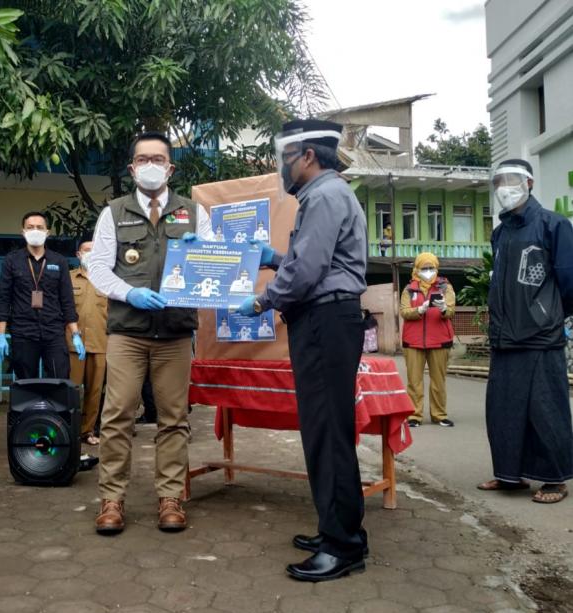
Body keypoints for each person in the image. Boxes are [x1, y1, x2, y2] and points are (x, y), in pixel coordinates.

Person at [238, 119, 368, 581]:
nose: (283, 169)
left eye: (286, 158)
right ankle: (339, 527)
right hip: (325, 319)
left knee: (328, 430)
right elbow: (310, 258)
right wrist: (274, 258)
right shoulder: (327, 195)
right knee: (325, 428)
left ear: (308, 155)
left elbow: (309, 270)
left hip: (324, 319)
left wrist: (261, 300)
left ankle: (342, 545)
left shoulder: (324, 196)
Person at [88, 130, 214, 534]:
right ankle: (111, 500)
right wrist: (131, 293)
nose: (150, 166)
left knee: (174, 419)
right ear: (132, 168)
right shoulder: (114, 212)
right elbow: (99, 269)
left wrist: (201, 253)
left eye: (157, 159)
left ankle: (171, 498)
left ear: (170, 167)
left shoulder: (194, 214)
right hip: (127, 332)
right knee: (117, 416)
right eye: (143, 159)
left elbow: (213, 266)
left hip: (175, 335)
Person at [478, 159, 573, 504]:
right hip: (505, 337)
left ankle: (554, 480)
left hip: (540, 338)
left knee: (545, 409)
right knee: (503, 409)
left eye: (512, 180)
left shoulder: (554, 225)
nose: (505, 186)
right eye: (499, 181)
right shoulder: (501, 233)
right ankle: (509, 474)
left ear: (529, 183)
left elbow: (569, 282)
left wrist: (546, 314)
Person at [0, 212, 84, 379]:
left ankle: (57, 406)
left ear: (47, 232)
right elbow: (4, 299)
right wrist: (0, 335)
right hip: (23, 332)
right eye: (30, 227)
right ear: (23, 232)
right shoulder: (12, 261)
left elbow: (67, 300)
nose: (35, 230)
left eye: (40, 227)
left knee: (60, 378)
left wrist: (75, 334)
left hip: (54, 331)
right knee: (26, 382)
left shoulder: (59, 261)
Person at [399, 252, 456, 428]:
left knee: (438, 381)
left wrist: (444, 308)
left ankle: (439, 415)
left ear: (437, 268)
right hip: (413, 342)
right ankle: (414, 416)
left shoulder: (445, 287)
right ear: (417, 269)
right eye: (424, 268)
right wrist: (419, 310)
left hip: (439, 341)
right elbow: (404, 311)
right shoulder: (409, 289)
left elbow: (452, 310)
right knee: (414, 382)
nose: (428, 271)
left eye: (432, 268)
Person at [68, 236, 108, 445]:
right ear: (78, 254)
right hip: (74, 344)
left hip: (101, 343)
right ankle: (70, 431)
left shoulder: (107, 280)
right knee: (72, 390)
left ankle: (87, 431)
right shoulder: (69, 278)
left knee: (94, 391)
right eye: (86, 249)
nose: (90, 253)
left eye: (94, 249)